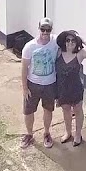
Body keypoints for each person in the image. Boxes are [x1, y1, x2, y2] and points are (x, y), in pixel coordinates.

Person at [54, 30, 86, 146]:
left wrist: (83, 40)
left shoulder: (80, 54)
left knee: (78, 110)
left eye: (73, 41)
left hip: (75, 89)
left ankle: (78, 134)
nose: (70, 43)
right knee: (66, 110)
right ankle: (68, 132)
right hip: (62, 89)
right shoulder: (59, 52)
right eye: (68, 40)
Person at [20, 18, 59, 148]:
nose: (45, 32)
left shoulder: (55, 42)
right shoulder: (29, 47)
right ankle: (29, 134)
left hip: (50, 84)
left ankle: (47, 133)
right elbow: (24, 68)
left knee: (48, 109)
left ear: (51, 30)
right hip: (33, 84)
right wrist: (25, 88)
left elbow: (69, 42)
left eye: (48, 30)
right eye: (43, 29)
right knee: (28, 111)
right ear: (39, 29)